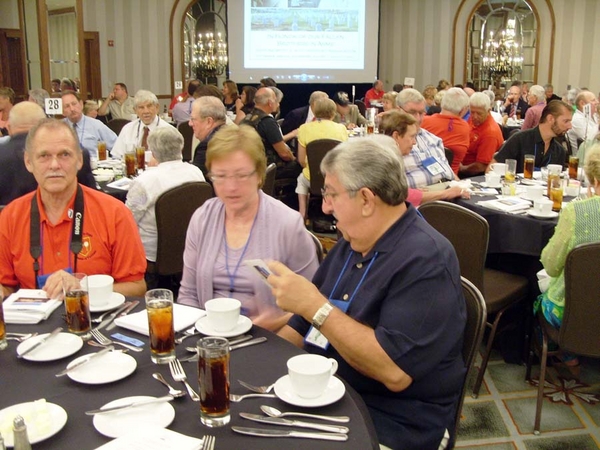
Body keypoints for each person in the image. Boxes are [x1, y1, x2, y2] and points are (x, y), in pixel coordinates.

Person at [268, 137, 466, 449]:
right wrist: (258, 365)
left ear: (366, 200)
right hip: (327, 392)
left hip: (391, 419)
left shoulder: (426, 260)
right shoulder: (352, 241)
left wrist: (314, 307)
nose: (325, 206)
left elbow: (394, 371)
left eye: (331, 194)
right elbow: (302, 324)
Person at [177, 125, 319, 332]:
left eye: (241, 175)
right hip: (209, 340)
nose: (231, 187)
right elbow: (188, 294)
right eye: (221, 176)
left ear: (260, 175)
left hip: (270, 339)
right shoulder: (202, 218)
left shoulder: (287, 224)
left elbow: (314, 303)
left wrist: (276, 322)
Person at [0, 119, 147, 299]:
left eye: (64, 155)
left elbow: (136, 288)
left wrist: (82, 290)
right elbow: (6, 286)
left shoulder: (115, 213)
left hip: (93, 324)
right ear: (28, 162)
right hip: (31, 325)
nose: (54, 165)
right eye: (44, 156)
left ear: (79, 160)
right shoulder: (10, 216)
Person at [537, 144, 600, 366]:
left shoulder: (577, 212)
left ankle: (567, 356)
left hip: (573, 312)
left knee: (542, 297)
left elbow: (551, 265)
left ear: (594, 180)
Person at [126, 126, 205, 287]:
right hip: (192, 247)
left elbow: (127, 221)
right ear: (181, 147)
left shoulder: (145, 181)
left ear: (153, 153)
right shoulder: (195, 172)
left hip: (153, 255)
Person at [379, 110, 468, 206]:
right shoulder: (382, 161)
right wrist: (445, 194)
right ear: (396, 136)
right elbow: (400, 195)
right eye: (412, 137)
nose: (414, 142)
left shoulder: (392, 155)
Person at [295, 98, 348, 219]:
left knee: (301, 180)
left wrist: (313, 170)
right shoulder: (341, 129)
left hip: (311, 177)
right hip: (336, 177)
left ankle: (302, 214)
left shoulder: (304, 128)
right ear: (333, 112)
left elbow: (301, 160)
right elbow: (344, 158)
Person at [395, 88, 455, 188]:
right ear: (398, 111)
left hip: (449, 190)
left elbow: (448, 171)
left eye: (421, 113)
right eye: (412, 112)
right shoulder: (392, 142)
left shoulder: (434, 139)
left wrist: (462, 186)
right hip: (421, 200)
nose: (418, 119)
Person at [491, 100, 573, 173]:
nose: (570, 126)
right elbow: (492, 168)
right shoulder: (520, 140)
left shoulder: (559, 151)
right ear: (550, 119)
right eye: (566, 121)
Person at [240, 87, 299, 179]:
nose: (278, 104)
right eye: (276, 100)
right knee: (301, 167)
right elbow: (284, 154)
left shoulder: (246, 118)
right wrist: (295, 159)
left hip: (250, 164)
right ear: (270, 103)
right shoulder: (267, 122)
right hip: (268, 167)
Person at [421, 87, 470, 175]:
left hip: (425, 176)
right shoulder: (465, 127)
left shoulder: (423, 122)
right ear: (463, 110)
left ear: (442, 104)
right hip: (451, 178)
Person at [111, 90, 172, 159]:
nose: (146, 111)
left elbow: (174, 161)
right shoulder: (127, 129)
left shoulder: (169, 131)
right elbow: (117, 156)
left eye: (149, 106)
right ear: (135, 110)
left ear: (157, 108)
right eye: (141, 107)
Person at [62, 91, 117, 159]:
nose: (72, 109)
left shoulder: (96, 125)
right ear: (62, 112)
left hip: (92, 167)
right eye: (67, 106)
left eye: (74, 104)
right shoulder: (58, 128)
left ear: (81, 104)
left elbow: (117, 147)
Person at [460, 92, 504, 177]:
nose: (475, 116)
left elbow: (481, 167)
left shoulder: (490, 133)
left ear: (488, 111)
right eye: (472, 112)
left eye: (479, 113)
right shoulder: (475, 120)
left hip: (473, 175)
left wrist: (461, 169)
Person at [190, 96, 228, 177]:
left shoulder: (207, 146)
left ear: (209, 122)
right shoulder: (232, 134)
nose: (190, 123)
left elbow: (194, 182)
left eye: (193, 119)